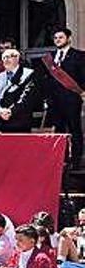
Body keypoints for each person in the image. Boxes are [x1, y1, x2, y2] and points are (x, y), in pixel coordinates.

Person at [46, 27, 85, 165]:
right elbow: (47, 80)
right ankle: (60, 160)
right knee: (58, 130)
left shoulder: (79, 56)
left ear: (68, 38)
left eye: (61, 37)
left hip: (71, 100)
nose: (57, 40)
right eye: (55, 38)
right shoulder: (50, 57)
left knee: (75, 129)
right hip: (55, 101)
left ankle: (76, 160)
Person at [0, 48, 37, 133]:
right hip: (0, 123)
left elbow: (26, 98)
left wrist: (10, 111)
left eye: (9, 57)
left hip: (19, 123)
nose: (6, 60)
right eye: (4, 58)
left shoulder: (28, 74)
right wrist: (0, 110)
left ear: (17, 58)